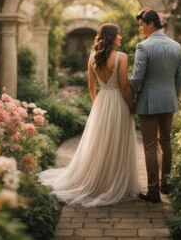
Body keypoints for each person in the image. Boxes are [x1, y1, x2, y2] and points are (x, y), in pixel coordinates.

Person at [38, 23, 140, 207]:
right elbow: (125, 87)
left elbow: (91, 87)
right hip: (118, 101)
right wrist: (132, 105)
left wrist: (97, 105)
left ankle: (99, 180)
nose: (121, 37)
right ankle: (113, 182)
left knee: (100, 143)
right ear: (111, 36)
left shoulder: (93, 57)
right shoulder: (122, 57)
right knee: (117, 141)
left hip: (101, 102)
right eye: (119, 34)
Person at [130, 9, 181, 203]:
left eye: (141, 25)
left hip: (148, 101)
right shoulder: (176, 46)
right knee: (166, 142)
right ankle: (166, 184)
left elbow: (137, 78)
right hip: (168, 100)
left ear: (151, 24)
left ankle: (153, 191)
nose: (140, 28)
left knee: (150, 146)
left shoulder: (143, 47)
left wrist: (130, 96)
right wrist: (173, 97)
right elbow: (179, 76)